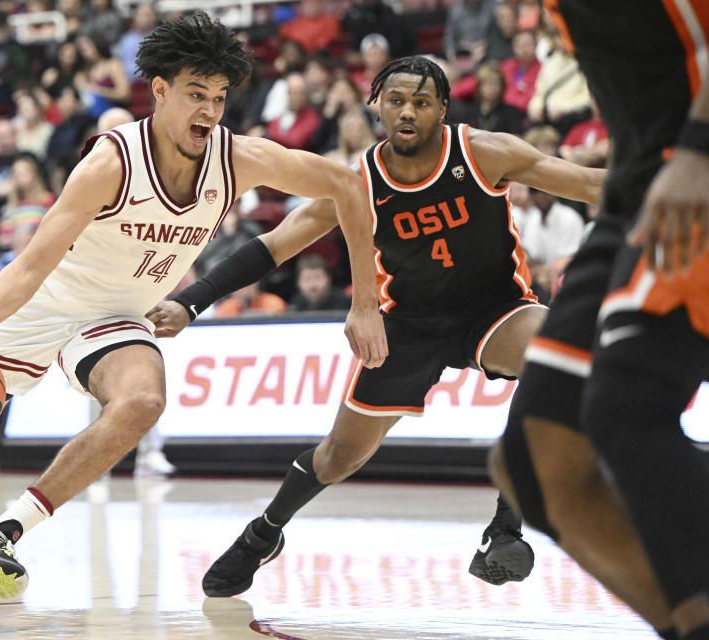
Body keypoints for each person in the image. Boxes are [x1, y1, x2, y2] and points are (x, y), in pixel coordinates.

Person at [0, 12, 388, 608]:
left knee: (143, 400)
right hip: (44, 304)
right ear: (159, 91)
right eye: (196, 94)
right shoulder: (111, 163)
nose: (210, 110)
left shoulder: (237, 159)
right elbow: (31, 264)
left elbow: (347, 186)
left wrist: (365, 302)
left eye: (219, 97)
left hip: (113, 318)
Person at [146, 55, 605, 597]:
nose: (407, 111)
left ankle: (506, 525)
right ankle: (264, 532)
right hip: (406, 326)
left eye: (421, 102)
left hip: (496, 310)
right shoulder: (356, 182)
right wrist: (192, 302)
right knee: (338, 457)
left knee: (558, 352)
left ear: (442, 110)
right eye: (396, 100)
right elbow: (274, 245)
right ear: (377, 105)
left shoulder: (483, 152)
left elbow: (590, 184)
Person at [488, 2, 709, 639]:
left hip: (694, 160)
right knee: (534, 460)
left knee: (627, 410)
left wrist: (698, 151)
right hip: (637, 184)